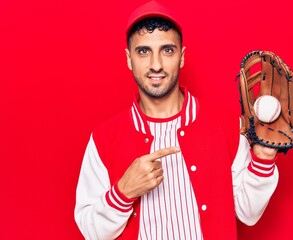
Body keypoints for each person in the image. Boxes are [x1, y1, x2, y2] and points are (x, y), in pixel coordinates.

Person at [74, 1, 279, 239]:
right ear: (129, 59)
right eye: (144, 52)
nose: (156, 65)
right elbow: (91, 232)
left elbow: (248, 213)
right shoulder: (104, 139)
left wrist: (264, 157)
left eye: (167, 50)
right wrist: (123, 193)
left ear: (181, 57)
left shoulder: (226, 126)